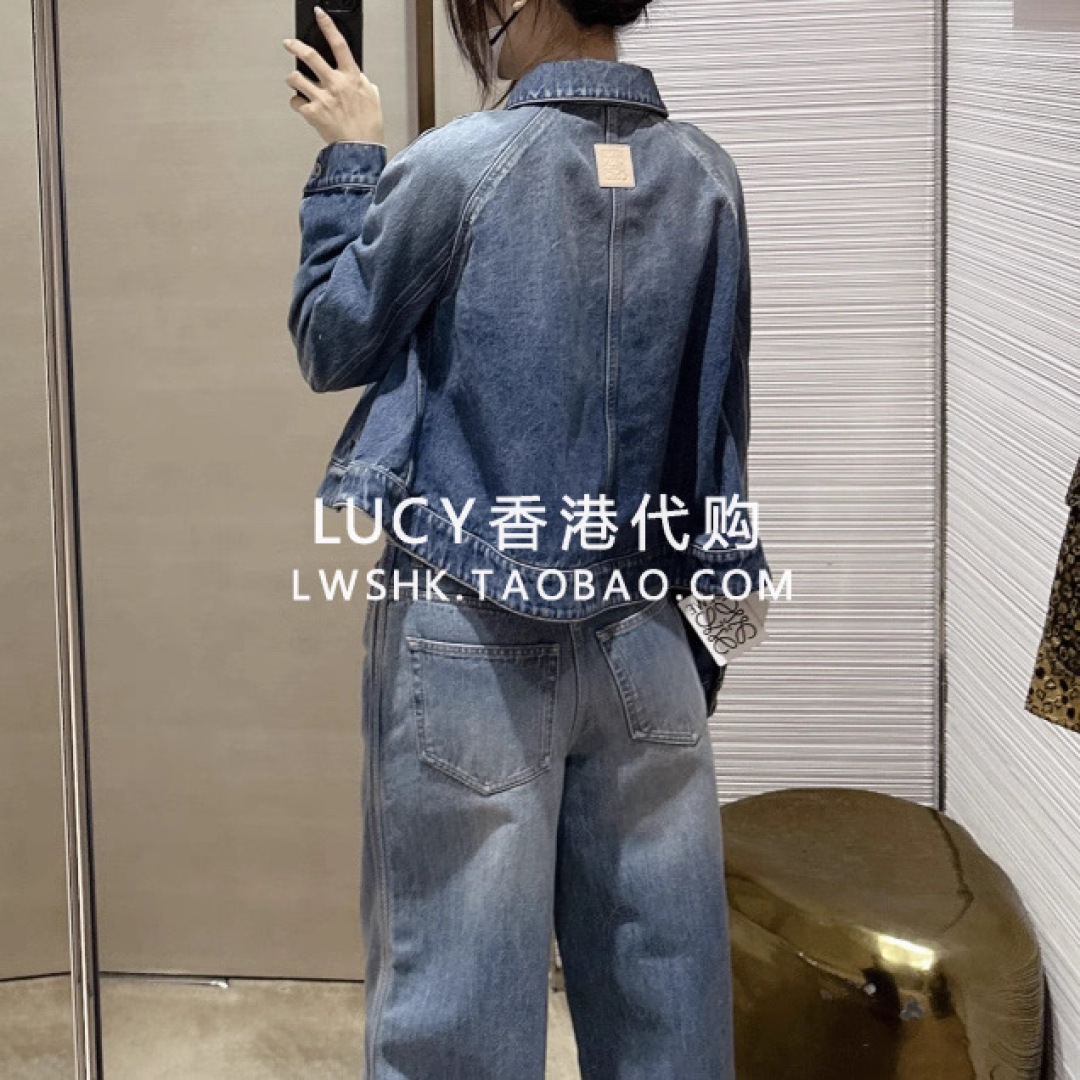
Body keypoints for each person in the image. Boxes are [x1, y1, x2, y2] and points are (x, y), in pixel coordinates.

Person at [284, 2, 769, 1077]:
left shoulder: (457, 166)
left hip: (468, 633)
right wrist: (705, 641)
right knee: (669, 1023)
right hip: (649, 638)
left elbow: (331, 339)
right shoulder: (708, 177)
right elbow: (719, 433)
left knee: (458, 1026)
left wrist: (354, 153)